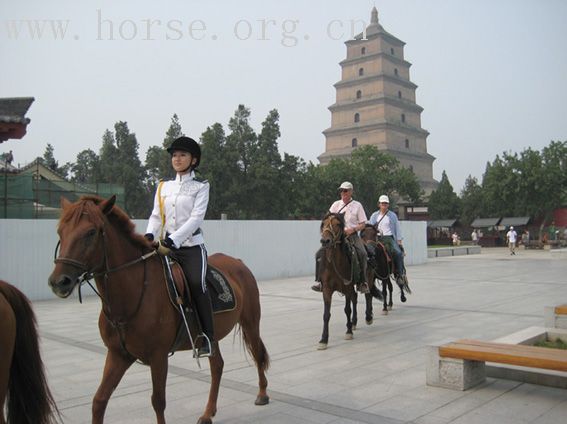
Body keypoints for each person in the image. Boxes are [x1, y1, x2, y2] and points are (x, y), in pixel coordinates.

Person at [145, 136, 215, 357]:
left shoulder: (201, 186)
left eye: (182, 155)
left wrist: (171, 241)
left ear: (193, 160)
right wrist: (149, 234)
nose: (177, 159)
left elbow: (196, 219)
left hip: (191, 247)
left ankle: (207, 338)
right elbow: (156, 216)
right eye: (174, 155)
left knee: (197, 283)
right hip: (164, 246)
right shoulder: (163, 186)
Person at [312, 181, 369, 293]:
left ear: (351, 191)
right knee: (318, 254)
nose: (343, 192)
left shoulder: (357, 205)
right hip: (336, 237)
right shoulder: (335, 205)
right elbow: (327, 220)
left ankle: (362, 282)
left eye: (345, 190)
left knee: (362, 253)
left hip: (351, 236)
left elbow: (363, 224)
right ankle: (320, 281)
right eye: (341, 190)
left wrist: (352, 229)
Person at [367, 195, 407, 288]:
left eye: (385, 203)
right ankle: (366, 275)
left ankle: (400, 275)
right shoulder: (374, 215)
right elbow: (369, 227)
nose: (384, 205)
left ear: (388, 205)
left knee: (398, 253)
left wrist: (399, 240)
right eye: (382, 203)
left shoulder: (392, 215)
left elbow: (397, 228)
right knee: (367, 253)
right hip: (377, 238)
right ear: (379, 204)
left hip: (388, 238)